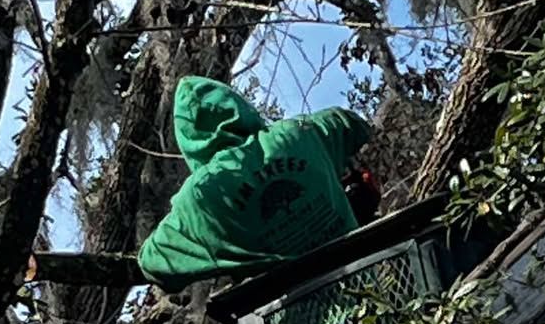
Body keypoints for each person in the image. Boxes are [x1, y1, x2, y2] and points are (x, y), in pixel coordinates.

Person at [138, 77, 379, 294]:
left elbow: (152, 263)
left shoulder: (203, 198)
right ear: (239, 107)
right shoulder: (298, 133)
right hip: (372, 294)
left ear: (189, 142)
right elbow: (350, 124)